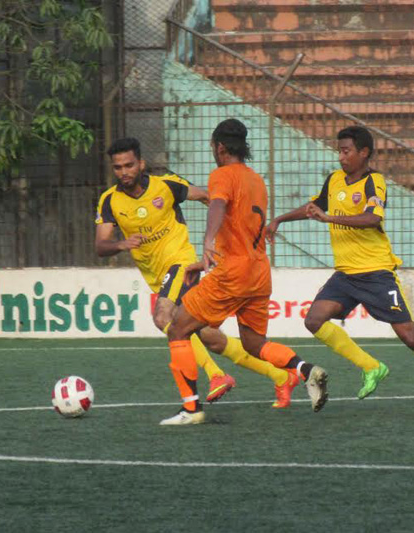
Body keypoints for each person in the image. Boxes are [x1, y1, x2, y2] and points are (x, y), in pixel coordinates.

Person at [265, 125, 414, 412]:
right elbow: (314, 207)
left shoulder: (374, 182)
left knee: (410, 337)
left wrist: (330, 219)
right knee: (314, 319)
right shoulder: (334, 180)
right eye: (339, 150)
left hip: (376, 273)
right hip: (346, 274)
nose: (341, 157)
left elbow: (372, 218)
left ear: (364, 153)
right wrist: (280, 220)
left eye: (346, 151)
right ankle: (371, 366)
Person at [95, 137, 300, 420]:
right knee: (212, 339)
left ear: (141, 163)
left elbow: (207, 197)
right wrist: (121, 244)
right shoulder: (109, 201)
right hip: (157, 276)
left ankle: (213, 380)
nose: (124, 171)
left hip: (180, 263)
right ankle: (280, 376)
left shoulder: (165, 184)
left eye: (129, 165)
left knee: (163, 317)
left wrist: (235, 230)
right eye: (118, 167)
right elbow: (100, 245)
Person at [165, 119, 328, 425]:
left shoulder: (222, 175)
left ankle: (190, 410)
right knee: (254, 343)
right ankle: (307, 371)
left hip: (233, 274)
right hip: (258, 273)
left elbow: (217, 206)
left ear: (221, 147)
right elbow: (242, 230)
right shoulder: (256, 180)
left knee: (177, 328)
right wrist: (205, 262)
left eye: (213, 147)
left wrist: (208, 239)